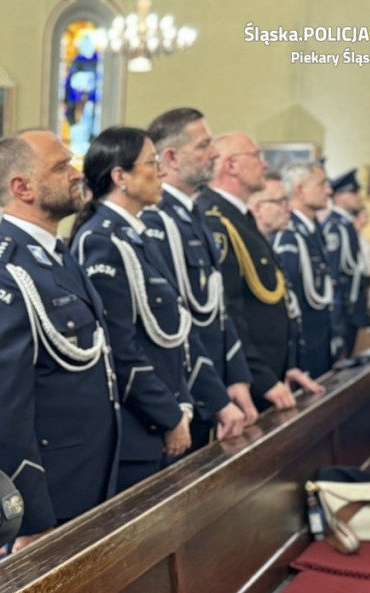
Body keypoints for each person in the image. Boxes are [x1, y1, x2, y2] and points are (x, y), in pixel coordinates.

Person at [0, 130, 119, 544]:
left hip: (88, 479)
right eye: (61, 166)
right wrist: (30, 516)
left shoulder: (56, 256)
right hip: (51, 498)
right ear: (21, 187)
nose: (75, 173)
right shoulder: (1, 274)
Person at [71, 126, 193, 491]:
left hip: (161, 421)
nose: (162, 172)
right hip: (136, 429)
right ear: (120, 176)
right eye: (152, 163)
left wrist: (181, 406)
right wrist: (169, 416)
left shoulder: (136, 236)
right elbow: (119, 349)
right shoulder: (102, 241)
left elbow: (173, 335)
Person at [142, 108, 255, 449]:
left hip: (213, 386)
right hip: (186, 394)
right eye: (204, 145)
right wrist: (213, 396)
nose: (215, 153)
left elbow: (216, 308)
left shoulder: (194, 213)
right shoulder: (156, 220)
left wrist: (236, 377)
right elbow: (175, 324)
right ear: (172, 158)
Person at [196, 132, 322, 411]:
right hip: (244, 381)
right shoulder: (214, 219)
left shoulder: (238, 217)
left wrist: (284, 367)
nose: (265, 164)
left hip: (266, 374)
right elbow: (229, 309)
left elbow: (266, 307)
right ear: (232, 165)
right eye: (257, 156)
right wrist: (261, 377)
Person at [274, 162, 334, 379]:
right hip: (304, 347)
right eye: (322, 184)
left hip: (320, 339)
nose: (328, 190)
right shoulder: (290, 235)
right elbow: (290, 302)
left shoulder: (312, 231)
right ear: (299, 190)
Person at [323, 169, 370, 355]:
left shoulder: (346, 225)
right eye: (354, 193)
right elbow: (335, 272)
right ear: (340, 196)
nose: (359, 198)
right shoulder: (336, 227)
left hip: (352, 306)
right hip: (344, 308)